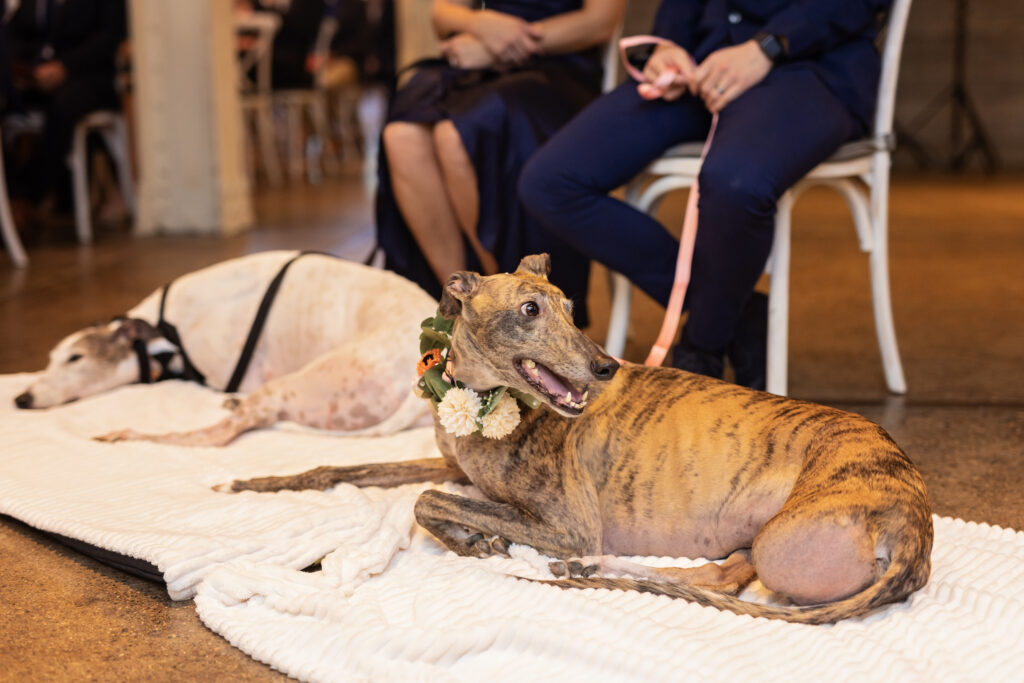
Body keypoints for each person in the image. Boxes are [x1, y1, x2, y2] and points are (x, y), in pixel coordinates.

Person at [519, 0, 892, 389]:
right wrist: (666, 47)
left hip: (808, 71)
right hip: (701, 67)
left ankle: (702, 348)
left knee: (736, 183)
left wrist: (766, 46)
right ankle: (734, 311)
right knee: (550, 181)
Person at [376, 0, 624, 326]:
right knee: (402, 136)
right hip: (483, 57)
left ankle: (508, 304)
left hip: (558, 68)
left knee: (456, 136)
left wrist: (504, 45)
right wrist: (482, 26)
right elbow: (443, 15)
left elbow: (599, 22)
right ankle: (464, 306)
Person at [4, 0, 126, 224]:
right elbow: (12, 35)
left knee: (63, 105)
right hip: (37, 80)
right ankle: (14, 194)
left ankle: (29, 199)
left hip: (88, 78)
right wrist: (20, 72)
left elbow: (110, 36)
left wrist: (65, 67)